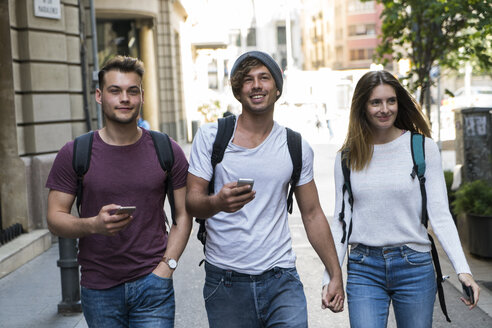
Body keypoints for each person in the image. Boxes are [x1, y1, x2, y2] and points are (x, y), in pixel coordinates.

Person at [186, 50, 344, 328]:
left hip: (281, 278)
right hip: (226, 282)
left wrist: (334, 274)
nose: (257, 85)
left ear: (277, 88)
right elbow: (192, 202)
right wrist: (218, 203)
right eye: (248, 79)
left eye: (264, 78)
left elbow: (312, 213)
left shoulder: (295, 146)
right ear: (238, 90)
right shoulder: (212, 137)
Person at [322, 70, 480, 327]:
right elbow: (341, 222)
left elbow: (440, 214)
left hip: (414, 265)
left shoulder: (421, 147)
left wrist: (464, 271)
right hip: (364, 267)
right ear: (362, 106)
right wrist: (330, 276)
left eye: (391, 101)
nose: (385, 109)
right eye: (376, 102)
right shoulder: (348, 156)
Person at [46, 55, 192, 327]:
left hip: (153, 285)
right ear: (100, 96)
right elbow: (55, 217)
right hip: (99, 288)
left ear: (142, 97)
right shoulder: (76, 152)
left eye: (132, 91)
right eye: (115, 90)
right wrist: (94, 225)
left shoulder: (166, 149)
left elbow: (183, 216)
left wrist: (166, 267)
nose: (124, 98)